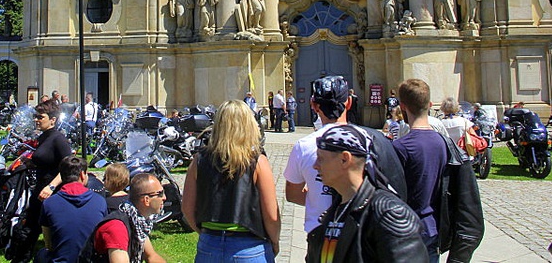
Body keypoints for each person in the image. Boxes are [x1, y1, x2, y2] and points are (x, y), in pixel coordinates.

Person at [284, 75, 407, 236]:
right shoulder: (372, 139)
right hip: (363, 231)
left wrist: (319, 199)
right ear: (349, 102)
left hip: (320, 233)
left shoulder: (304, 146)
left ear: (314, 105)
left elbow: (293, 194)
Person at [306, 125, 427, 263]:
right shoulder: (336, 211)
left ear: (345, 159)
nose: (315, 165)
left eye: (321, 158)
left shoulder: (389, 212)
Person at [182, 100, 280, 261]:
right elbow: (271, 215)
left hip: (209, 244)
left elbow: (187, 207)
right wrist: (274, 241)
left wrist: (205, 233)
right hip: (249, 245)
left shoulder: (199, 160)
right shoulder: (258, 162)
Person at [392, 79, 447, 263]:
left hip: (406, 228)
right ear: (430, 105)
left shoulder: (400, 146)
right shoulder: (442, 143)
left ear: (403, 106)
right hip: (433, 226)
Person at [12, 100, 73, 263]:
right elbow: (46, 160)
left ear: (52, 119)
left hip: (53, 193)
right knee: (28, 228)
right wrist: (30, 163)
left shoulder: (58, 138)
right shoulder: (43, 137)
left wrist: (51, 186)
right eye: (35, 116)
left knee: (47, 231)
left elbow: (69, 166)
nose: (36, 120)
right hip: (40, 190)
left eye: (40, 117)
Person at [36, 156, 107, 263]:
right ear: (83, 175)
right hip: (91, 260)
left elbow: (49, 245)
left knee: (41, 254)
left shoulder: (49, 203)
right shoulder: (100, 201)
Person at [86, 173, 166, 263]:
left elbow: (151, 256)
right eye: (160, 194)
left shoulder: (137, 222)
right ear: (146, 200)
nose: (164, 197)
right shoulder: (117, 228)